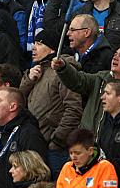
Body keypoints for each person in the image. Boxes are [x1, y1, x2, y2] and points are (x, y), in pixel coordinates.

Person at [20, 29, 83, 175]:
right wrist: (29, 80)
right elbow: (16, 100)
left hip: (54, 148)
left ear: (53, 48)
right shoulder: (36, 71)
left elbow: (73, 108)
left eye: (40, 44)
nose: (33, 48)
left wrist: (57, 140)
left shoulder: (62, 70)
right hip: (35, 144)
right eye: (34, 43)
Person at [50, 128, 118, 188]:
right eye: (71, 153)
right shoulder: (67, 168)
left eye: (78, 153)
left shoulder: (104, 168)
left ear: (90, 151)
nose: (73, 157)